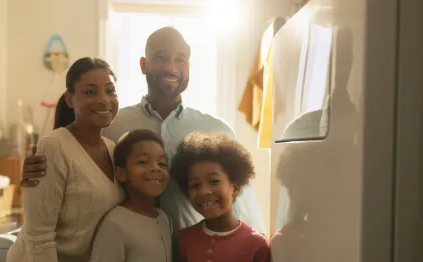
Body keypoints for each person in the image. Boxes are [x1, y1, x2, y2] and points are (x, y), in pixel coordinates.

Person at [20, 26, 267, 235]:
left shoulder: (217, 130)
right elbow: (69, 166)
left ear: (189, 68)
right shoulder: (111, 126)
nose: (171, 67)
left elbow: (243, 206)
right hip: (126, 257)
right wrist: (39, 168)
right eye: (161, 57)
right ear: (143, 64)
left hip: (198, 261)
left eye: (180, 60)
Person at [2, 57, 124, 262]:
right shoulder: (54, 146)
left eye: (111, 90)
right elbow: (39, 235)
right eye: (90, 91)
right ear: (70, 99)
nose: (103, 99)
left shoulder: (114, 150)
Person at [169, 132, 270, 262]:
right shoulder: (184, 239)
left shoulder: (256, 246)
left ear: (235, 188)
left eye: (214, 181)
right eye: (195, 185)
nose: (205, 191)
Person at [75, 129, 172, 262]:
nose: (156, 168)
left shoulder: (164, 220)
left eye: (162, 163)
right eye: (143, 162)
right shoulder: (116, 224)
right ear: (121, 173)